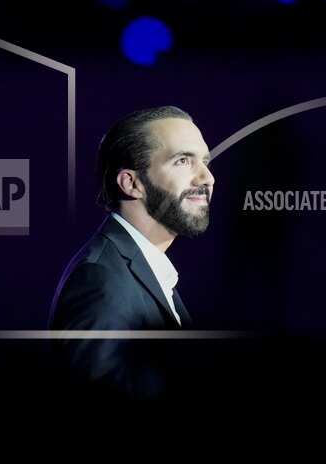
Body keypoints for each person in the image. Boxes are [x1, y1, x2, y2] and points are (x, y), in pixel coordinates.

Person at [48, 105, 215, 398]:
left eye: (205, 161)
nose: (206, 178)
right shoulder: (101, 283)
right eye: (183, 161)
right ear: (132, 183)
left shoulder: (141, 270)